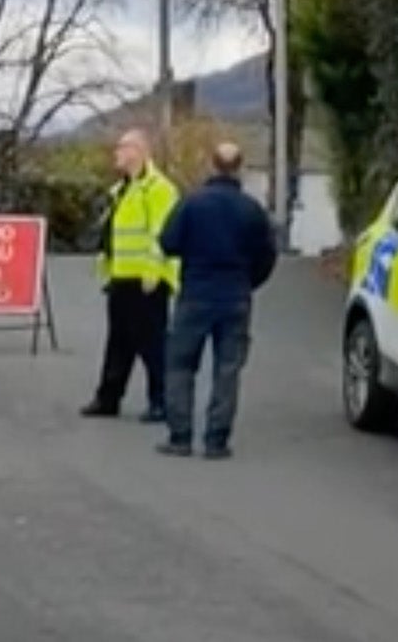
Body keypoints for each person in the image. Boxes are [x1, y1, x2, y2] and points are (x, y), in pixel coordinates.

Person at [155, 141, 276, 460]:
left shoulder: (192, 204)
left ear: (212, 165)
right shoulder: (252, 210)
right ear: (240, 167)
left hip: (195, 293)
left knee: (180, 365)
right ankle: (216, 440)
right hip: (235, 296)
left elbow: (168, 243)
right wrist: (248, 282)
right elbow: (267, 256)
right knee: (228, 369)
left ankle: (180, 437)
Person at [80, 128, 179, 423]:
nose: (117, 153)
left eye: (123, 147)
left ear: (139, 151)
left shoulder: (158, 189)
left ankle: (162, 401)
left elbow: (160, 234)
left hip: (147, 279)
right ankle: (108, 398)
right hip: (122, 277)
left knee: (153, 344)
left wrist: (153, 272)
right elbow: (114, 234)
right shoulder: (121, 190)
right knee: (119, 342)